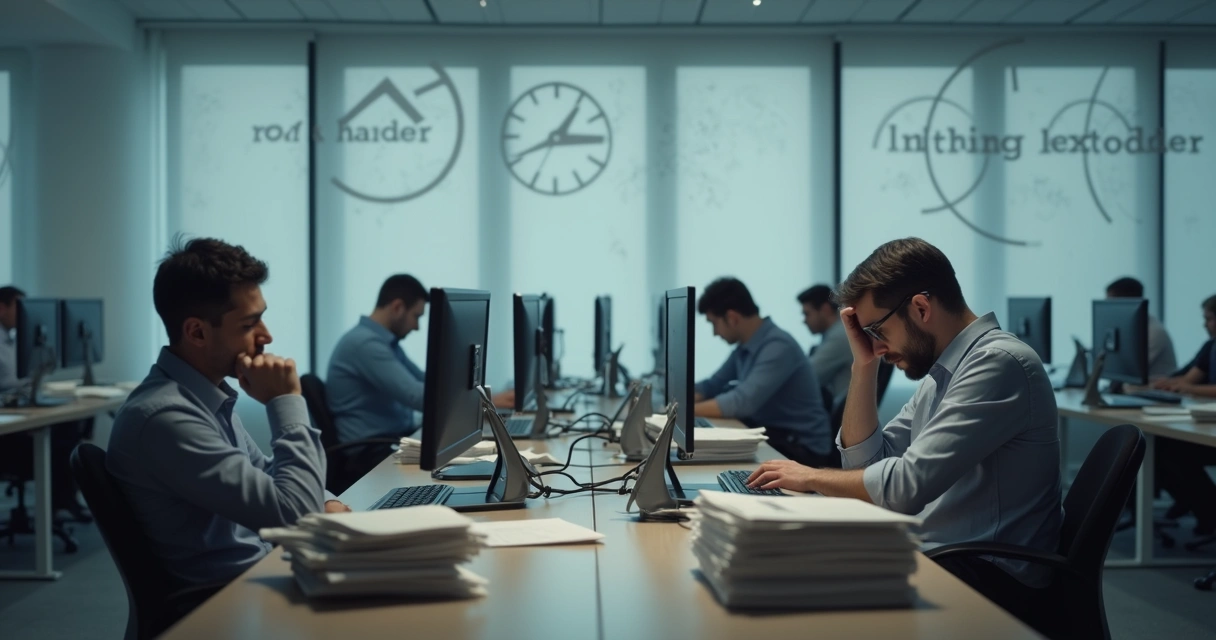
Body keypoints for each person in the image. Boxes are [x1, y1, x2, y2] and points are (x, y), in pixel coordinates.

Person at [748, 238, 1062, 616]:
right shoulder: (943, 372)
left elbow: (905, 488)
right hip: (941, 551)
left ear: (921, 307)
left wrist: (812, 477)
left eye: (877, 331)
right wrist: (863, 366)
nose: (877, 346)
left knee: (795, 588)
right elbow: (865, 466)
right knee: (783, 566)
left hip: (988, 575)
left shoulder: (998, 364)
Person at [107, 238, 347, 590]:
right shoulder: (166, 418)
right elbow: (298, 515)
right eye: (250, 324)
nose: (267, 336)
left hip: (265, 575)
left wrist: (329, 501)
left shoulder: (203, 394)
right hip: (229, 603)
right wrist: (286, 400)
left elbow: (266, 472)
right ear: (197, 332)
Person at [327, 274, 514, 446]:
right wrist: (484, 401)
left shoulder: (383, 343)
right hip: (371, 451)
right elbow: (417, 397)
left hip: (391, 439)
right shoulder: (365, 345)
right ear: (398, 307)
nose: (416, 327)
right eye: (416, 316)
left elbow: (428, 380)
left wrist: (486, 394)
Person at [694, 277, 832, 466]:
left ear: (732, 318)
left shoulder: (778, 346)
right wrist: (678, 398)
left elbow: (742, 402)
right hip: (775, 434)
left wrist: (683, 412)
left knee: (719, 464)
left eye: (714, 324)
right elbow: (712, 385)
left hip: (802, 447)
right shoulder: (744, 348)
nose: (715, 333)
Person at [0, 285, 92, 523]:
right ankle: (61, 502)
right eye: (18, 308)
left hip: (21, 411)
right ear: (2, 308)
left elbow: (24, 378)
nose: (23, 314)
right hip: (8, 430)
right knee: (61, 436)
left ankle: (63, 501)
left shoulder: (14, 340)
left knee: (71, 424)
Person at [1153, 294, 1216, 533]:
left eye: (1209, 319)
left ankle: (1208, 511)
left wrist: (1187, 387)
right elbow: (1190, 379)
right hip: (1206, 425)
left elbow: (1191, 386)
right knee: (1159, 446)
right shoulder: (1211, 346)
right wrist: (1158, 385)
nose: (1204, 324)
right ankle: (1203, 509)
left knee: (1174, 453)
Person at [1106, 277, 1177, 380]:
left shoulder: (1154, 332)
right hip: (1131, 390)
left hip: (1154, 392)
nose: (1109, 309)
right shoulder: (1125, 329)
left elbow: (1127, 369)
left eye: (1111, 302)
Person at [799, 284, 851, 407]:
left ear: (825, 309)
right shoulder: (840, 332)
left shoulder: (839, 337)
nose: (804, 320)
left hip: (841, 417)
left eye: (807, 314)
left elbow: (806, 377)